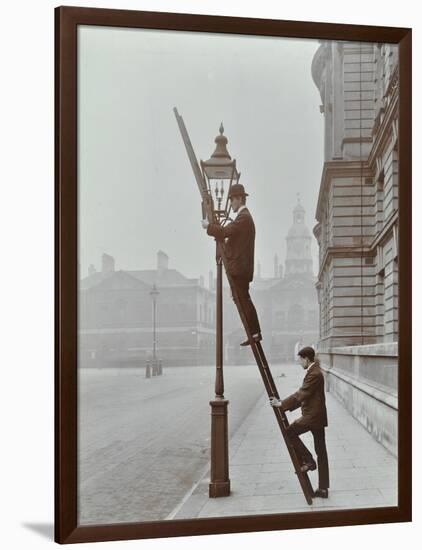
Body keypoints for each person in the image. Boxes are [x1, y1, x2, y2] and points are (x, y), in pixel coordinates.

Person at [201, 183, 262, 346]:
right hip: (241, 268)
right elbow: (231, 236)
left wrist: (209, 227)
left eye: (232, 200)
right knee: (241, 299)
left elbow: (225, 231)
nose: (231, 204)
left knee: (243, 300)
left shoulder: (244, 218)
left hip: (240, 269)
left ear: (239, 199)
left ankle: (254, 333)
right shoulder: (244, 218)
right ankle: (253, 332)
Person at [269, 346, 329, 498]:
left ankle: (309, 462)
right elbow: (305, 395)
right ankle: (323, 488)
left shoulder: (314, 373)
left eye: (300, 360)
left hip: (312, 417)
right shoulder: (314, 371)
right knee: (321, 451)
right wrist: (284, 405)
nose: (299, 363)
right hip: (317, 416)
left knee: (289, 432)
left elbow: (302, 393)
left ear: (306, 359)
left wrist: (281, 404)